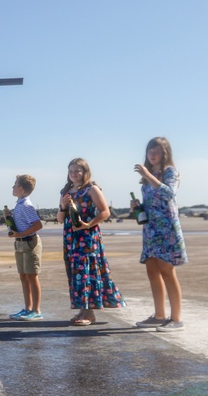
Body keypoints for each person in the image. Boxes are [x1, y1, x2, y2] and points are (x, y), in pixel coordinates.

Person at [57, 158, 125, 325]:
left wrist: (88, 224)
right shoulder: (65, 191)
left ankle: (88, 313)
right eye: (71, 170)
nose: (74, 174)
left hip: (87, 237)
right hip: (71, 238)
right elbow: (60, 219)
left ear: (85, 172)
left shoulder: (91, 189)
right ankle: (83, 310)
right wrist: (63, 206)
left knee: (87, 272)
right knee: (76, 275)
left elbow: (105, 212)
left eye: (77, 170)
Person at [132, 137, 188, 332]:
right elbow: (151, 202)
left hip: (166, 228)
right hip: (151, 229)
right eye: (150, 152)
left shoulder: (170, 172)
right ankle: (159, 315)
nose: (152, 155)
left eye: (156, 151)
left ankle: (177, 318)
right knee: (152, 271)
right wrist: (138, 207)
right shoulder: (147, 179)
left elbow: (169, 194)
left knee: (167, 270)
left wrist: (148, 174)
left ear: (165, 153)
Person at [7, 174, 44, 321]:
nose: (13, 187)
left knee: (32, 276)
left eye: (15, 184)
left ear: (21, 189)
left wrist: (20, 233)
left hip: (29, 242)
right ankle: (28, 308)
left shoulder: (27, 205)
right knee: (23, 276)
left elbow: (38, 225)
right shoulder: (20, 204)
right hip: (21, 242)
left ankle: (36, 310)